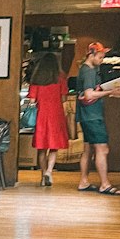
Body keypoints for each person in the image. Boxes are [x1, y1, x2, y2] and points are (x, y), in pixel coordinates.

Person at [76, 41, 120, 195]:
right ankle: (104, 184)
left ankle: (84, 181)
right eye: (100, 57)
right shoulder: (89, 71)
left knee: (88, 149)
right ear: (91, 54)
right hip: (93, 115)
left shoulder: (85, 69)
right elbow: (89, 94)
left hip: (85, 115)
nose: (102, 60)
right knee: (102, 149)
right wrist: (109, 92)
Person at [27, 52, 69, 186]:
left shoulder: (36, 79)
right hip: (56, 114)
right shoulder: (60, 78)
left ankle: (42, 175)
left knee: (41, 147)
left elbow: (32, 100)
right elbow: (64, 98)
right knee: (54, 146)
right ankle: (49, 172)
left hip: (42, 115)